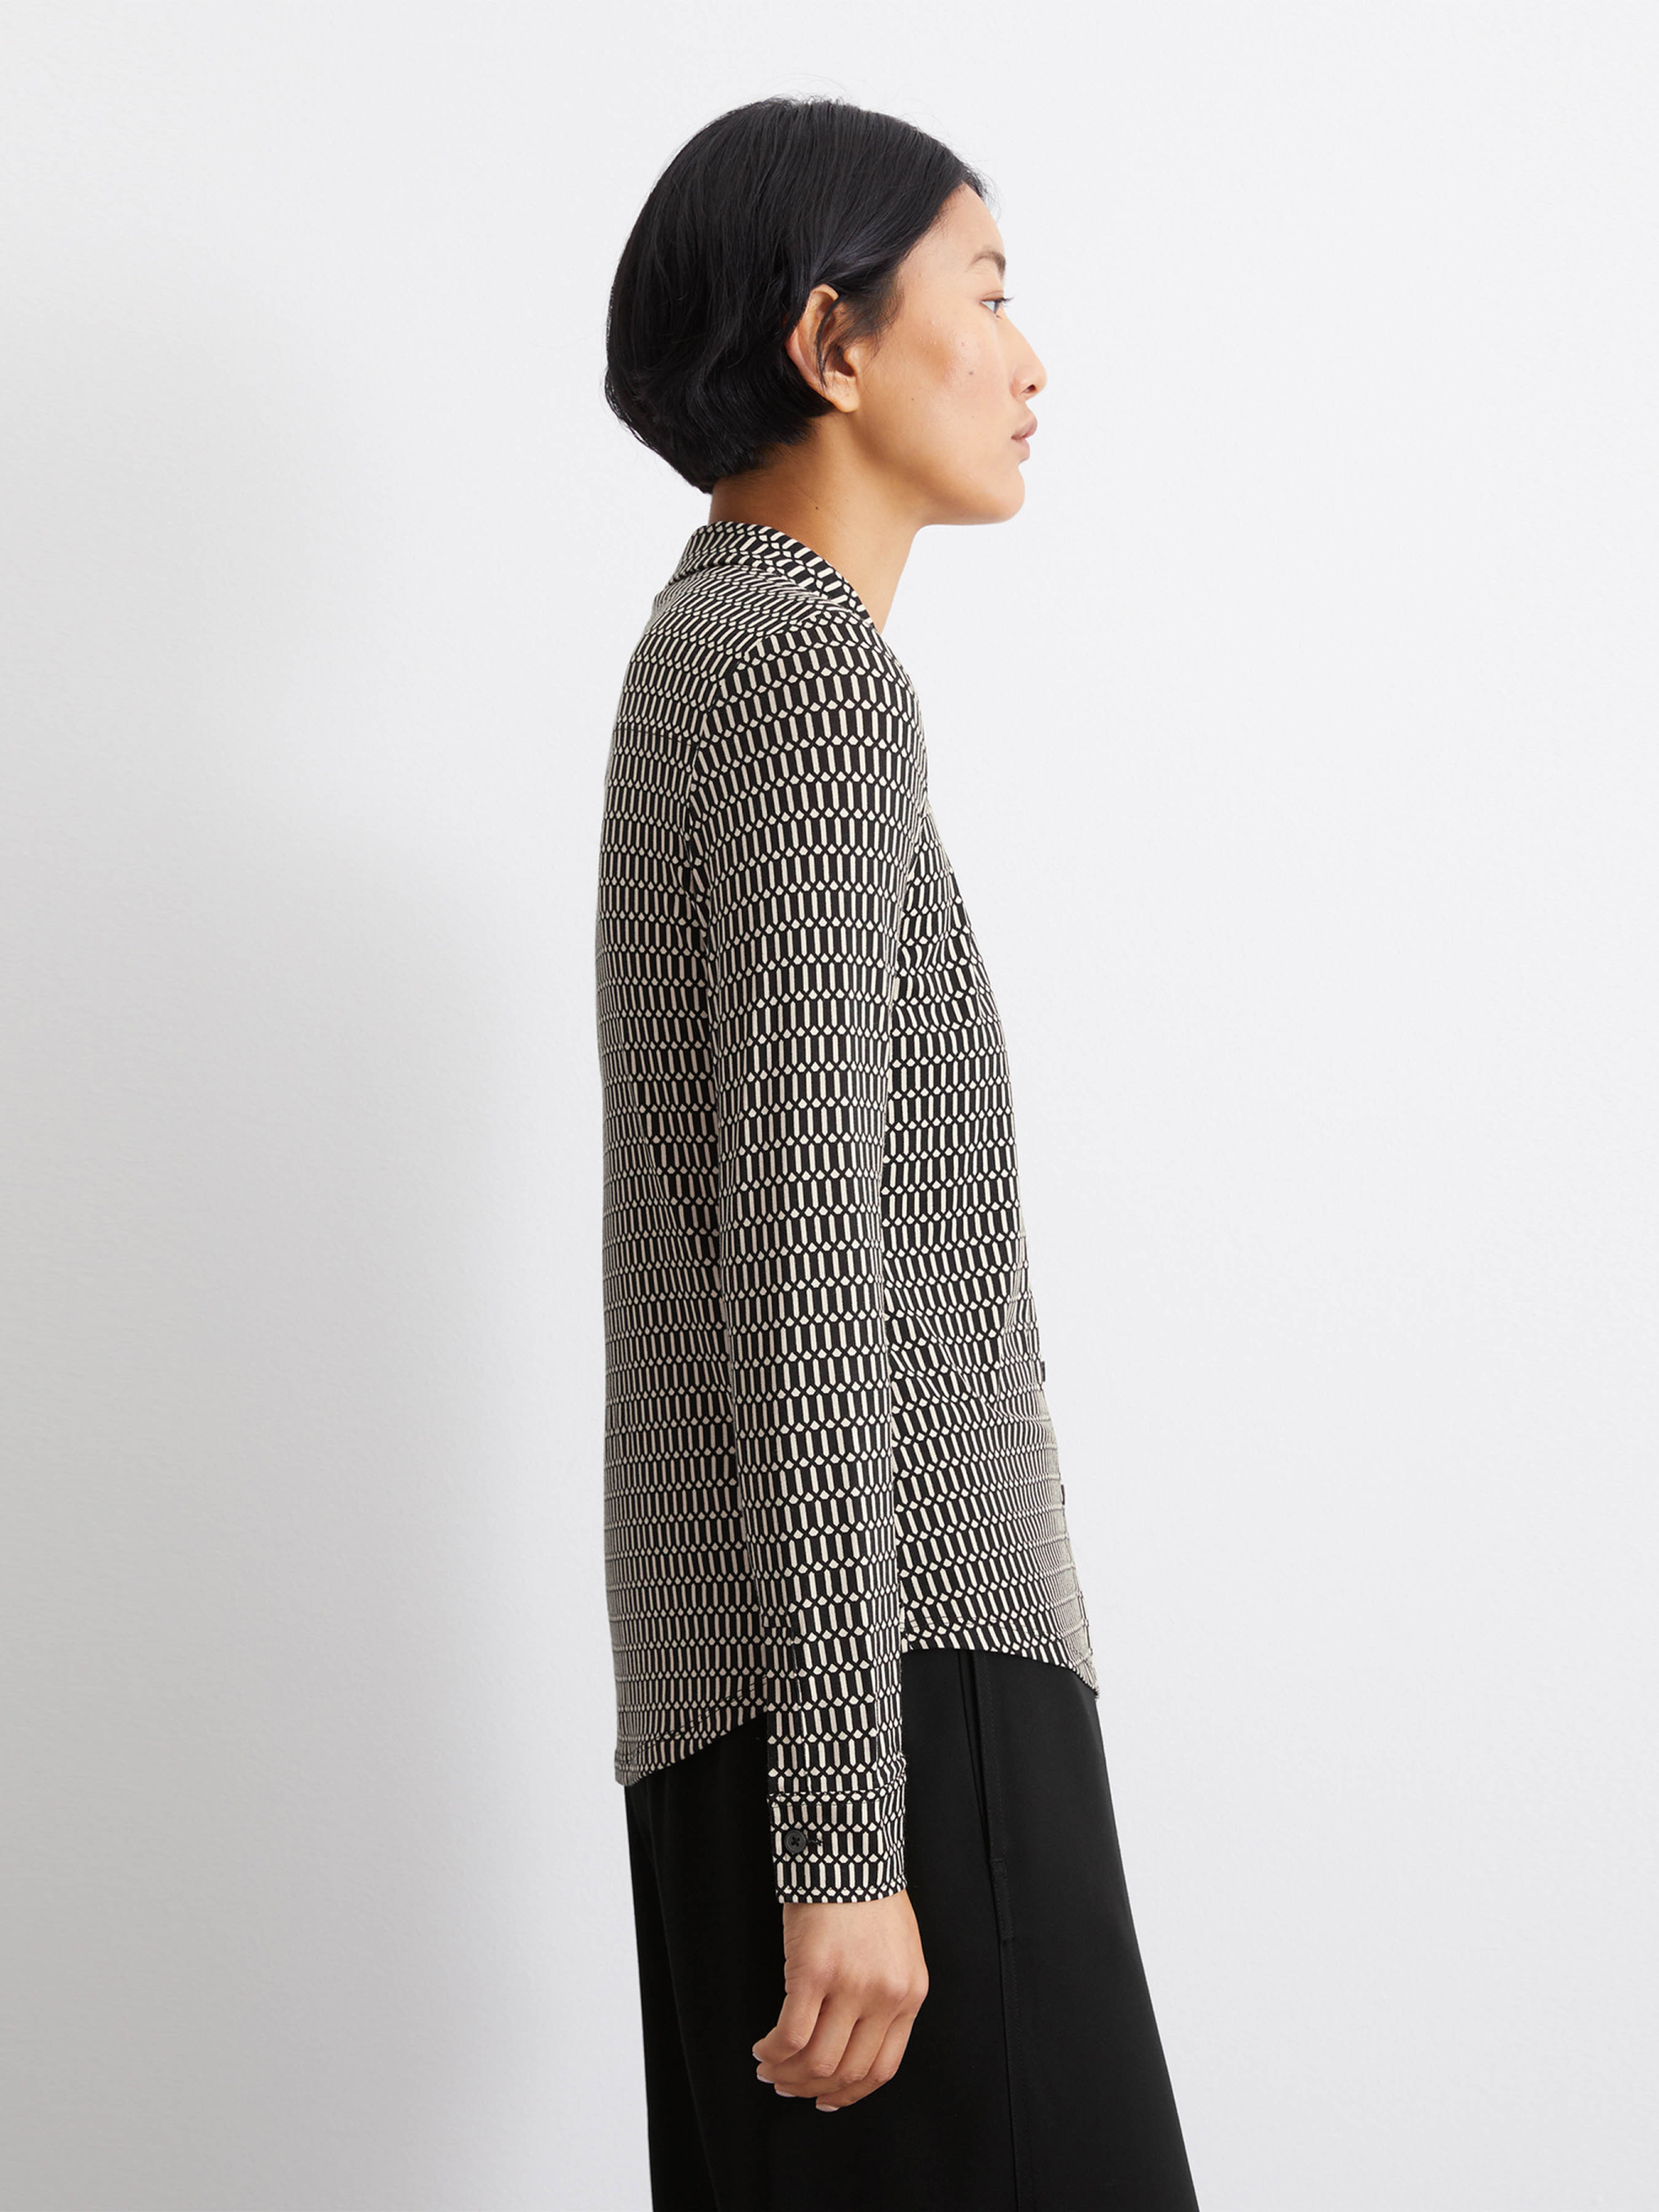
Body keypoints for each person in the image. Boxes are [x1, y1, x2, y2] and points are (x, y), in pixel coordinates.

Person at [595, 94, 1202, 2211]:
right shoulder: (798, 683)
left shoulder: (706, 655)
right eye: (989, 292)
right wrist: (852, 1831)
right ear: (830, 343)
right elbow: (803, 1264)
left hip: (768, 1701)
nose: (1029, 359)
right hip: (891, 1699)